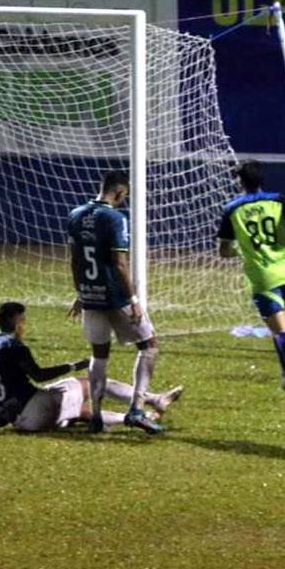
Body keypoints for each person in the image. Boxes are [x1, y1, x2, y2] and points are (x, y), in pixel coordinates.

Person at [0, 302, 181, 433]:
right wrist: (73, 365)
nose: (24, 326)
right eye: (24, 321)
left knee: (77, 410)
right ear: (18, 323)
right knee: (88, 384)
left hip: (19, 423)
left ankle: (145, 413)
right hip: (35, 408)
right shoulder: (14, 345)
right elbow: (39, 375)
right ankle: (151, 401)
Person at [67, 170, 164, 434]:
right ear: (120, 192)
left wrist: (80, 294)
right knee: (149, 345)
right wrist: (133, 299)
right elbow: (119, 263)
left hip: (90, 295)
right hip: (115, 296)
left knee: (99, 355)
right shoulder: (114, 217)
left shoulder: (76, 214)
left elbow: (75, 261)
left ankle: (97, 417)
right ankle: (136, 409)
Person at [217, 160, 285, 407]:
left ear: (240, 182)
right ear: (262, 179)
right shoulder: (279, 200)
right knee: (277, 326)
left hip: (264, 277)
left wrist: (242, 250)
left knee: (281, 330)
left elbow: (224, 251)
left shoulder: (232, 209)